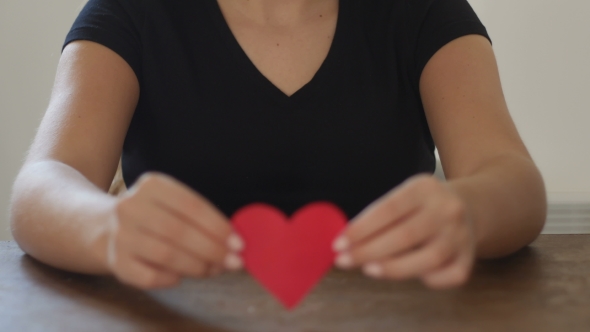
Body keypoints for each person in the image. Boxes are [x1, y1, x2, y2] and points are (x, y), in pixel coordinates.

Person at [9, 0, 547, 291]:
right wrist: (104, 226)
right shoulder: (131, 13)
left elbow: (513, 179)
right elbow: (41, 185)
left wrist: (467, 212)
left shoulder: (424, 11)